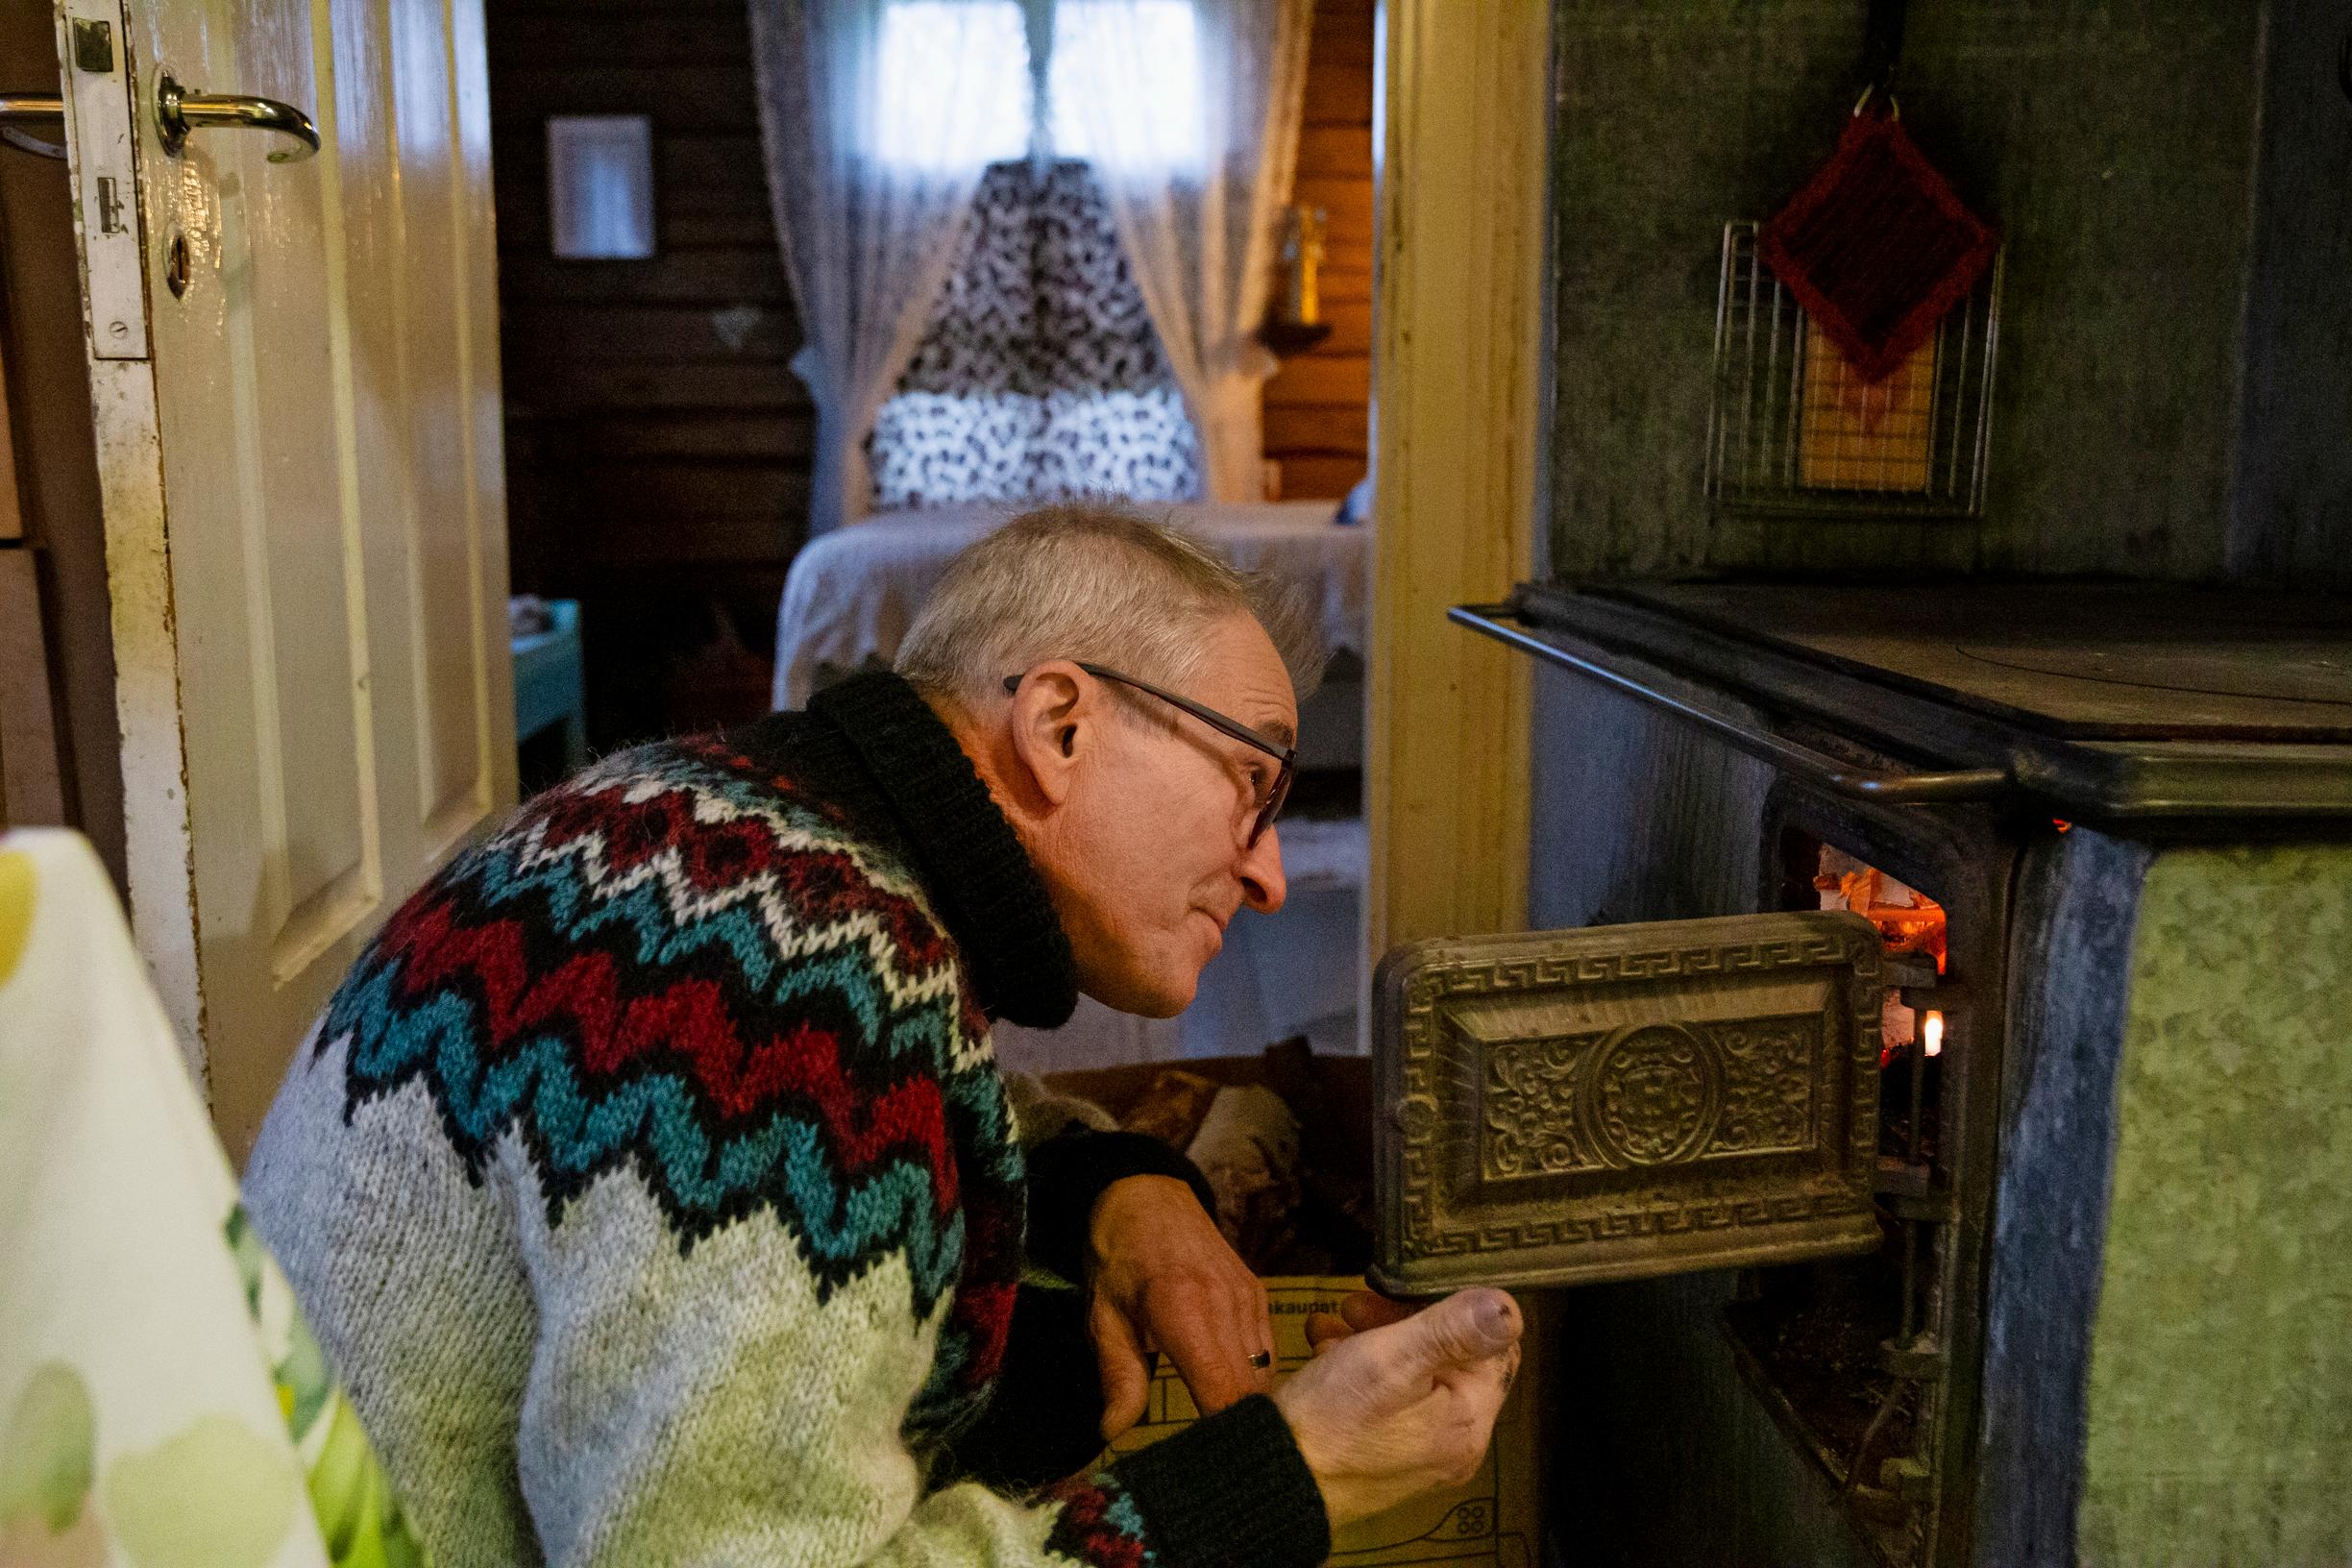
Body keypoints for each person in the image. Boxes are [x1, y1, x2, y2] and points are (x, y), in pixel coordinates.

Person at [241, 505, 1521, 1568]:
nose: (1271, 875)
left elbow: (901, 1120)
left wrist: (1109, 1186)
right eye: (1255, 784)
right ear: (1061, 726)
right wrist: (1294, 1477)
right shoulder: (801, 990)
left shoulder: (696, 836)